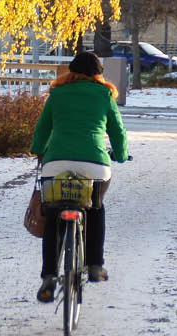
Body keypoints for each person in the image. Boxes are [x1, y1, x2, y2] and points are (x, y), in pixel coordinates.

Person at [29, 51, 129, 303]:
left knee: (53, 217)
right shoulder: (105, 95)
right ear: (98, 74)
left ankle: (49, 277)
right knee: (95, 207)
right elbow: (117, 133)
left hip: (56, 165)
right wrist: (120, 154)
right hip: (94, 165)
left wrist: (38, 150)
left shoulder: (57, 94)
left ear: (71, 72)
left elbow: (41, 132)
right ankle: (95, 265)